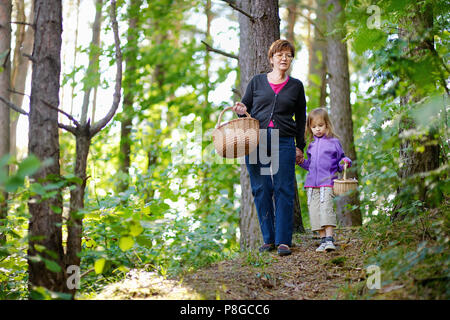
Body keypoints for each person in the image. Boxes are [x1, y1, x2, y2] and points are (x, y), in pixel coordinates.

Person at [232, 39, 307, 256]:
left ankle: (284, 241)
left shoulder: (296, 86)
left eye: (288, 55)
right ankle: (269, 239)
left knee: (284, 188)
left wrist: (299, 146)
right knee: (262, 188)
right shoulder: (257, 82)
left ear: (291, 59)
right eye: (280, 55)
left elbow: (301, 118)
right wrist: (240, 108)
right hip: (257, 140)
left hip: (283, 141)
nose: (284, 58)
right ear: (271, 58)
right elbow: (244, 108)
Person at [298, 108, 352, 252]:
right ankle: (322, 240)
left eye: (320, 125)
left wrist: (345, 162)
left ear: (327, 125)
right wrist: (301, 162)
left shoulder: (334, 142)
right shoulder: (311, 145)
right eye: (314, 127)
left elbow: (341, 159)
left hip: (327, 182)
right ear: (310, 127)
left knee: (326, 209)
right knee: (314, 211)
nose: (317, 129)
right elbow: (310, 165)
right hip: (311, 184)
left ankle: (329, 239)